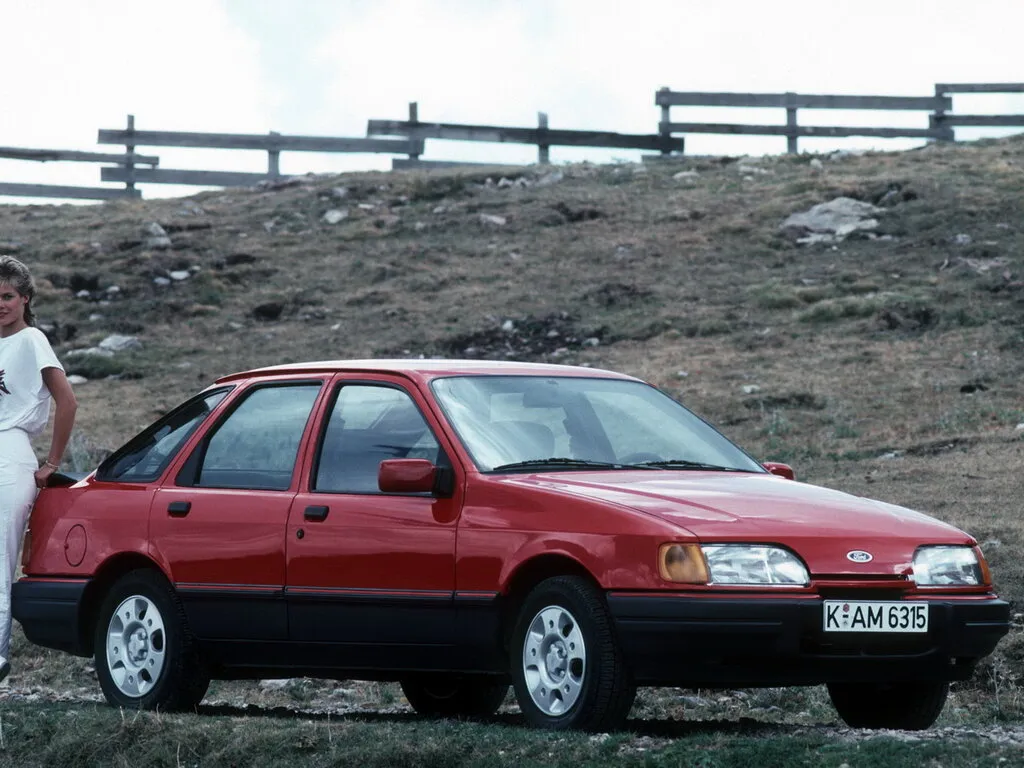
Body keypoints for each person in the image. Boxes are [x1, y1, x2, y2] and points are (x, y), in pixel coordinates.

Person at [0, 255, 77, 683]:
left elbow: (67, 400)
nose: (0, 304)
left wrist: (53, 462)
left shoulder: (31, 340)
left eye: (8, 296)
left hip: (10, 452)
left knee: (0, 556)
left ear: (25, 299)